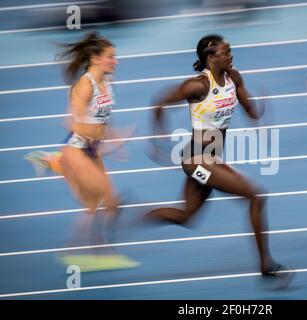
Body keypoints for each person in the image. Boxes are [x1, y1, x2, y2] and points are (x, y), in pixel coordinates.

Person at [146, 34, 292, 286]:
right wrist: (158, 137)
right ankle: (266, 265)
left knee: (186, 216)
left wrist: (261, 112)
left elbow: (251, 112)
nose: (231, 55)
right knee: (256, 197)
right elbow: (159, 103)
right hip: (195, 160)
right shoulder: (198, 85)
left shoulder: (234, 78)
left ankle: (136, 217)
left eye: (230, 50)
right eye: (226, 51)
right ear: (211, 57)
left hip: (211, 158)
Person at [25, 32, 138, 272]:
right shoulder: (84, 86)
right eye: (110, 57)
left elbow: (104, 118)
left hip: (91, 150)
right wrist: (105, 139)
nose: (115, 61)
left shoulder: (107, 83)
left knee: (99, 207)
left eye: (115, 56)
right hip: (76, 149)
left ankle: (72, 252)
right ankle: (101, 254)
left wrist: (114, 138)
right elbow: (72, 124)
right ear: (95, 59)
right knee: (108, 201)